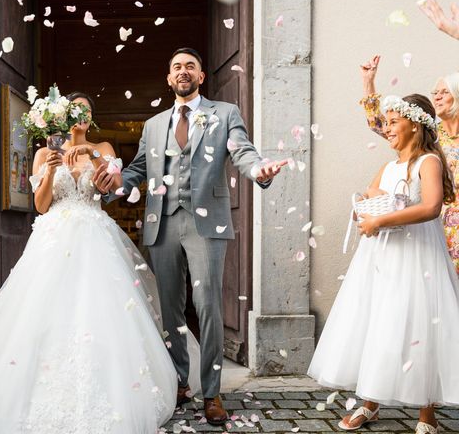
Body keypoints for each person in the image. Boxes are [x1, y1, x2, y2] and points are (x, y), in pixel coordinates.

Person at [0, 92, 185, 434]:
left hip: (94, 236)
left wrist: (93, 155)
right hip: (53, 236)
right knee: (44, 309)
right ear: (62, 117)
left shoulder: (104, 148)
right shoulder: (45, 152)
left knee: (100, 309)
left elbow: (114, 188)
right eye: (76, 110)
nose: (82, 115)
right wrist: (49, 171)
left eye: (87, 110)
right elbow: (41, 206)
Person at [93, 47, 285, 425]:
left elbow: (242, 152)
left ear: (201, 76)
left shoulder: (225, 114)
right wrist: (114, 184)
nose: (183, 71)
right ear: (169, 79)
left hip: (206, 224)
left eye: (190, 67)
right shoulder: (152, 125)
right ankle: (179, 381)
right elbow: (136, 171)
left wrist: (259, 170)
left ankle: (211, 391)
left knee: (208, 305)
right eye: (176, 66)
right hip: (161, 223)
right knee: (170, 309)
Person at [308, 94, 459, 434]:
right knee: (379, 322)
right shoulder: (388, 168)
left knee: (421, 325)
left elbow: (432, 206)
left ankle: (427, 413)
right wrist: (362, 211)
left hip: (419, 256)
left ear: (415, 124)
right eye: (387, 122)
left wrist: (382, 219)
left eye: (393, 122)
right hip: (382, 259)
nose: (387, 128)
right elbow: (366, 199)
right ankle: (370, 403)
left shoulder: (428, 162)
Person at [359, 55, 459, 272]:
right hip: (433, 222)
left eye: (445, 91)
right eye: (435, 92)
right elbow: (382, 125)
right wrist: (369, 82)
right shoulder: (430, 135)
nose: (437, 97)